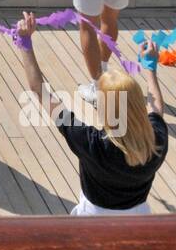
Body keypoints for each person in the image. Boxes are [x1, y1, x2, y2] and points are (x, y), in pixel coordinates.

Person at [15, 12, 167, 215]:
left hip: (93, 221)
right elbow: (156, 108)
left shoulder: (92, 143)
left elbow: (41, 92)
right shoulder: (155, 142)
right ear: (138, 105)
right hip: (138, 221)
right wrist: (150, 69)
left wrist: (25, 42)